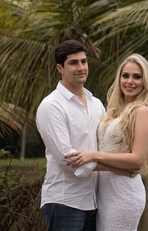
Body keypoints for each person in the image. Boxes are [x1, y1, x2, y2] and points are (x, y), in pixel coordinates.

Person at [65, 53, 148, 231]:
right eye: (125, 75)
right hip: (103, 193)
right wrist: (88, 161)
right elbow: (106, 158)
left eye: (137, 77)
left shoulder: (143, 111)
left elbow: (137, 159)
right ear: (119, 78)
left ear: (145, 81)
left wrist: (93, 155)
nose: (130, 81)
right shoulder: (113, 111)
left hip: (124, 194)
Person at [36, 40, 105, 231]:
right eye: (74, 63)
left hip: (94, 201)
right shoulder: (51, 106)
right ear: (60, 68)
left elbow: (105, 145)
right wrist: (118, 167)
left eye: (84, 61)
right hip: (65, 201)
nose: (81, 67)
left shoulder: (97, 104)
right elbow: (68, 158)